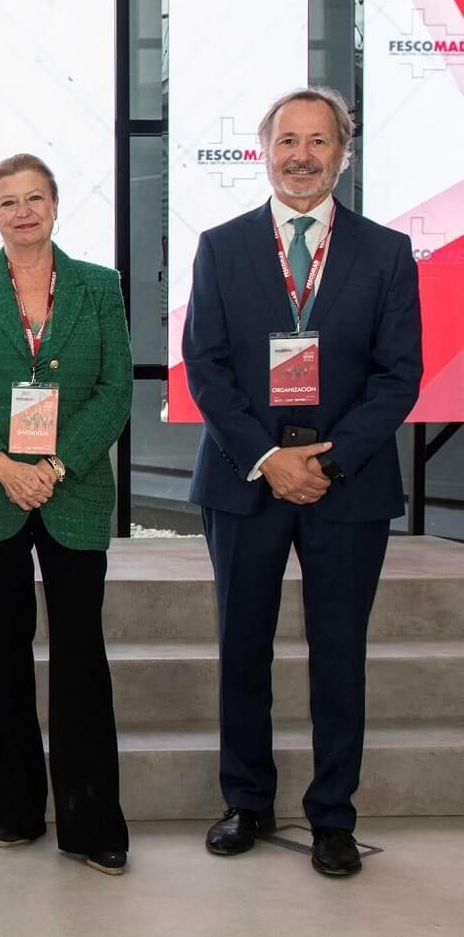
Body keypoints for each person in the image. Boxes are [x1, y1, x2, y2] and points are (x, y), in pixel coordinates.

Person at [183, 86, 423, 878]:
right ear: (264, 150)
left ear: (341, 154)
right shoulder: (219, 247)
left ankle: (331, 818)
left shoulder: (385, 252)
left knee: (337, 653)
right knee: (242, 647)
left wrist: (324, 460)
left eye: (317, 142)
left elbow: (397, 377)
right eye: (287, 140)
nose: (300, 156)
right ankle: (245, 801)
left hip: (345, 486)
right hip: (244, 479)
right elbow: (207, 367)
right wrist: (268, 458)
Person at [0, 153, 133, 876]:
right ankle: (12, 809)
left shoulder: (98, 285)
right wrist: (2, 467)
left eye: (34, 198)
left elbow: (114, 390)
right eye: (7, 201)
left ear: (54, 205)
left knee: (80, 656)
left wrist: (52, 467)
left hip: (70, 491)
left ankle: (91, 823)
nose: (22, 212)